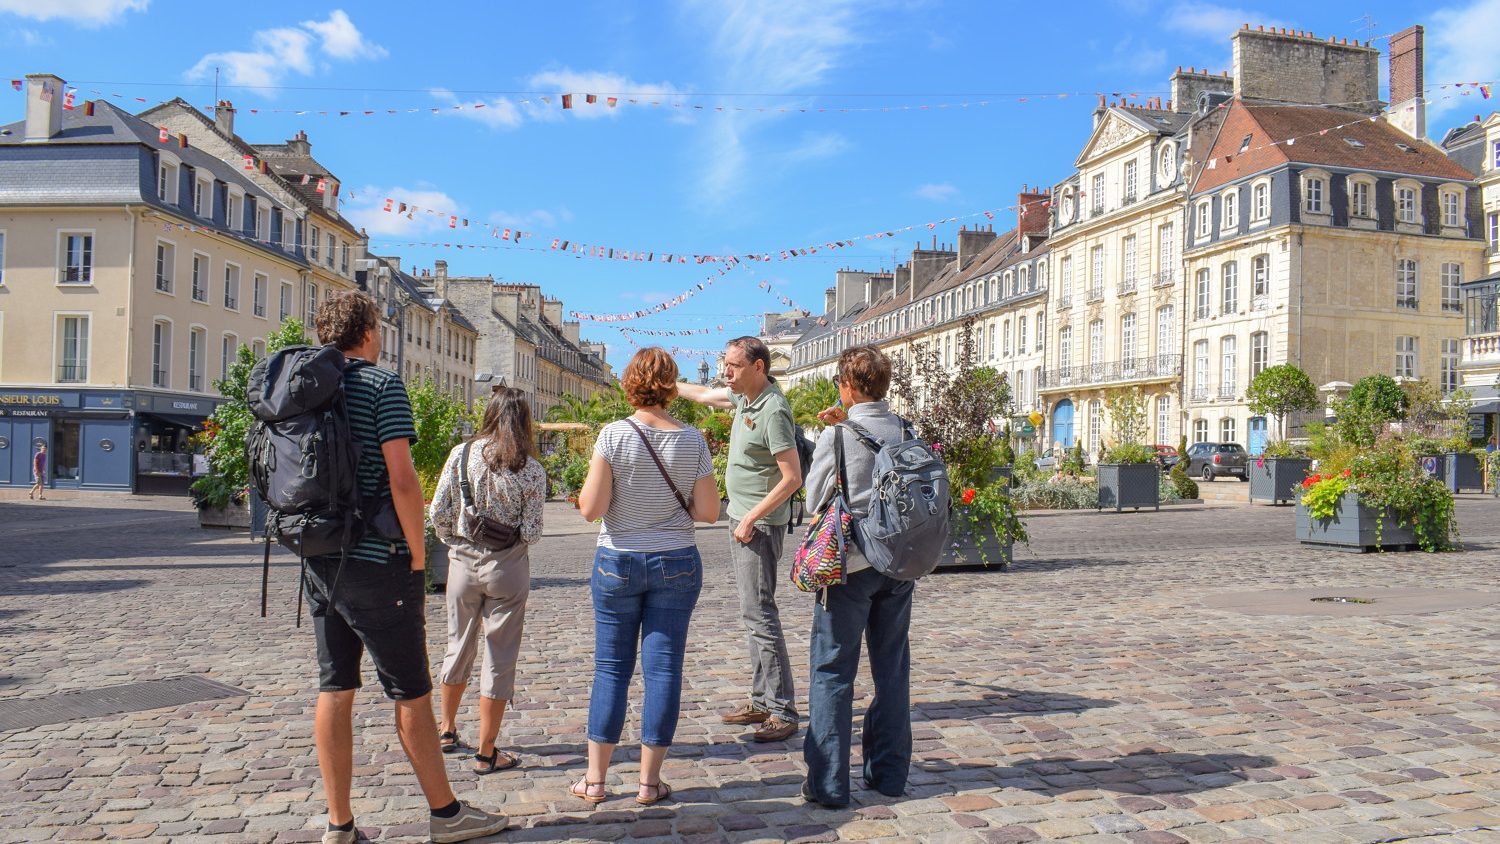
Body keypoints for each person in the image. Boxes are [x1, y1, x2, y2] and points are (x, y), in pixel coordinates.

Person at [304, 291, 506, 844]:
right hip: (376, 558)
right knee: (411, 690)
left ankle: (339, 824)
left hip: (320, 557)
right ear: (368, 332)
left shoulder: (306, 388)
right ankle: (447, 815)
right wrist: (417, 554)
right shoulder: (380, 385)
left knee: (335, 686)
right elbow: (403, 478)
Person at [572, 347, 721, 806]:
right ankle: (648, 783)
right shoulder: (692, 439)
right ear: (672, 386)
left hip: (617, 560)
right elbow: (710, 512)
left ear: (630, 383)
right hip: (675, 560)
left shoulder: (614, 435)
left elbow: (592, 509)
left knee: (611, 669)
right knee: (663, 669)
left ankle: (595, 781)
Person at [800, 346, 915, 808]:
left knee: (832, 671)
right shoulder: (906, 429)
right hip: (898, 564)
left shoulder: (838, 435)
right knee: (892, 671)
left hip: (850, 565)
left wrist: (832, 433)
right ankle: (888, 774)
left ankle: (828, 782)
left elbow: (813, 501)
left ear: (846, 387)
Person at [676, 337, 803, 742]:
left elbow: (792, 478)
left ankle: (782, 709)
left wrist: (750, 517)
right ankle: (761, 700)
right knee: (752, 613)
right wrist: (666, 382)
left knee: (761, 613)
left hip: (759, 527)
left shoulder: (773, 410)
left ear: (759, 367)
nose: (725, 373)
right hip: (744, 521)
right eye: (724, 365)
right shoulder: (744, 399)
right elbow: (702, 395)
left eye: (732, 366)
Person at [429, 386, 546, 775]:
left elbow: (438, 511)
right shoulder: (530, 469)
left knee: (457, 643)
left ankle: (446, 729)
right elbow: (531, 531)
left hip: (462, 561)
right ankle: (486, 750)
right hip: (507, 566)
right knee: (499, 654)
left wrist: (455, 541)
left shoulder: (461, 455)